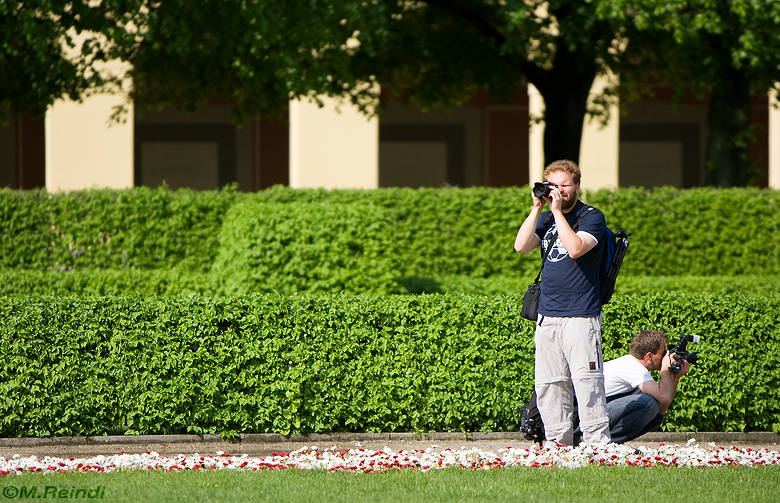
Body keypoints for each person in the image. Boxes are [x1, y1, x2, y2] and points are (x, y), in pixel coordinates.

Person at [514, 159, 610, 445]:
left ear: (577, 186)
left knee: (586, 382)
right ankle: (558, 442)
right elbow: (520, 246)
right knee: (549, 383)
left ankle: (597, 444)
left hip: (581, 315)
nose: (558, 191)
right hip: (548, 316)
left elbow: (576, 248)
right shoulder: (545, 219)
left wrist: (556, 212)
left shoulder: (592, 216)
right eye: (553, 185)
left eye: (564, 185)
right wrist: (537, 209)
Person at [603, 330, 690, 443]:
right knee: (648, 403)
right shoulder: (631, 366)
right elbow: (664, 397)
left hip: (599, 412)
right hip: (584, 420)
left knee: (657, 416)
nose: (665, 357)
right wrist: (665, 368)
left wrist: (675, 376)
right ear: (649, 355)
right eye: (663, 353)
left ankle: (611, 444)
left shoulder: (633, 366)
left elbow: (663, 406)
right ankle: (604, 444)